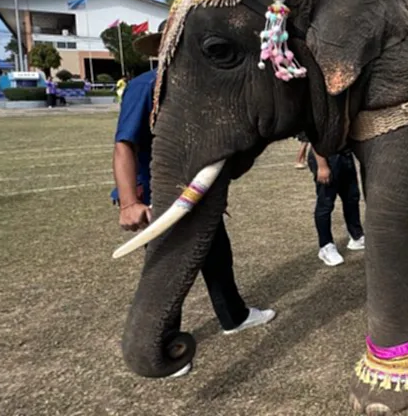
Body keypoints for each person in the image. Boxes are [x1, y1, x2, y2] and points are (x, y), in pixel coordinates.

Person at [111, 30, 275, 377]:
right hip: (157, 195)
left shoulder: (199, 85)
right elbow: (124, 144)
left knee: (217, 256)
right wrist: (128, 203)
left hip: (195, 192)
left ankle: (234, 316)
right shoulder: (146, 86)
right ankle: (161, 344)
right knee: (169, 264)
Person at [305, 142, 365, 266]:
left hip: (345, 155)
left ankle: (356, 236)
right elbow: (315, 138)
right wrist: (322, 166)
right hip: (326, 157)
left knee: (352, 198)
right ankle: (326, 246)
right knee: (326, 204)